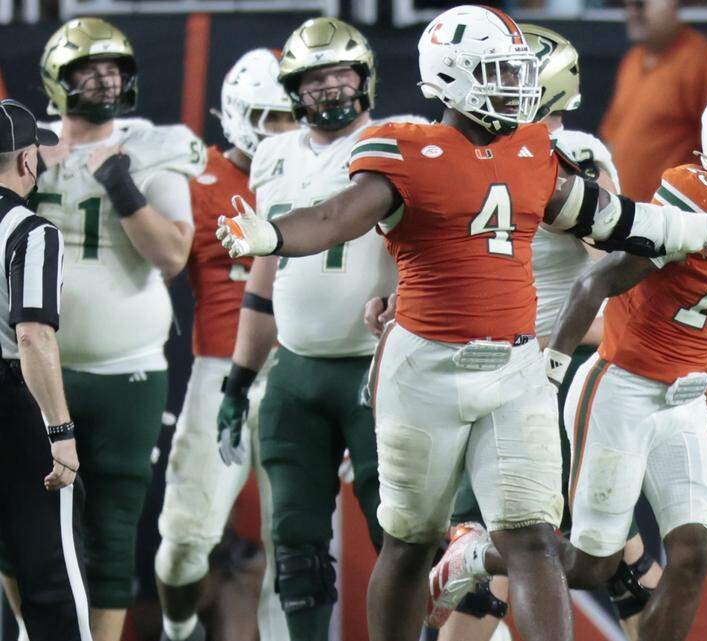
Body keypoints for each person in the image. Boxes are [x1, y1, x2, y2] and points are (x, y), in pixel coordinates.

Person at [215, 7, 707, 641]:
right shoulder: (410, 148)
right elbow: (335, 218)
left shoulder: (534, 151)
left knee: (535, 543)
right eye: (496, 71)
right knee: (409, 543)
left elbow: (624, 223)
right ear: (451, 76)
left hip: (517, 364)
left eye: (515, 70)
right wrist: (274, 234)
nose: (513, 84)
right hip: (425, 366)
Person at [429, 80, 707, 641]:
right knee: (593, 567)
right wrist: (551, 372)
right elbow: (592, 283)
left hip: (686, 398)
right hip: (621, 388)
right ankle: (477, 557)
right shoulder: (693, 198)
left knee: (695, 551)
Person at [434, 24, 663, 641]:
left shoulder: (572, 153)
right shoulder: (481, 151)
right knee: (551, 551)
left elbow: (612, 247)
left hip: (549, 372)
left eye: (509, 76)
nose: (496, 89)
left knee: (525, 550)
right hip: (491, 370)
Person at [216, 18, 407, 641]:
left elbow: (433, 254)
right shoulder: (271, 155)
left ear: (365, 78)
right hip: (295, 371)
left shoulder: (399, 144)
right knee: (295, 544)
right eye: (315, 79)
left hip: (379, 368)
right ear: (293, 90)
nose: (330, 89)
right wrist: (238, 380)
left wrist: (404, 304)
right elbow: (264, 278)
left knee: (403, 539)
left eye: (341, 75)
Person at [28, 18, 204, 641]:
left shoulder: (152, 144)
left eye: (114, 69)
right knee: (20, 525)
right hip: (26, 366)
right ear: (58, 78)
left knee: (112, 527)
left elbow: (171, 255)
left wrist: (119, 180)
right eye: (89, 69)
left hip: (125, 368)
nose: (106, 80)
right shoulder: (25, 141)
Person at [154, 48, 296, 641]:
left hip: (301, 370)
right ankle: (178, 626)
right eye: (268, 117)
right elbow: (152, 267)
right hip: (220, 368)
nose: (282, 131)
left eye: (291, 117)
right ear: (237, 114)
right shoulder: (200, 180)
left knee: (298, 542)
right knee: (187, 539)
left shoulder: (325, 169)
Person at [0, 98, 90, 641]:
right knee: (51, 573)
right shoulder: (30, 231)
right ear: (28, 160)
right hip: (13, 404)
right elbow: (32, 333)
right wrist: (59, 431)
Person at [598, 0, 707, 201]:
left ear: (674, 4)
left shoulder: (704, 62)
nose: (631, 12)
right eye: (627, 5)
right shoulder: (633, 59)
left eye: (640, 4)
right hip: (624, 216)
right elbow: (611, 139)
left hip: (673, 221)